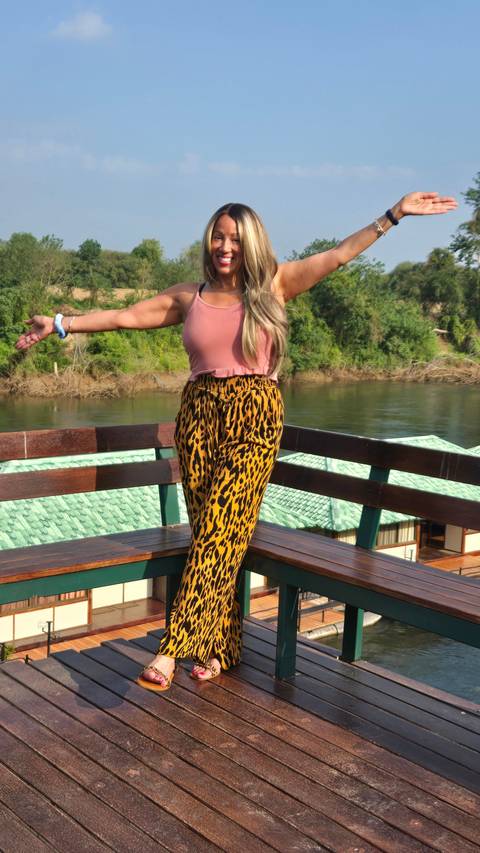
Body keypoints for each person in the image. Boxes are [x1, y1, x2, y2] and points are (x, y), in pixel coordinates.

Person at [16, 192, 457, 690]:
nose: (225, 246)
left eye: (235, 239)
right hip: (199, 416)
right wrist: (58, 324)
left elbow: (336, 256)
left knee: (219, 528)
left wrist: (393, 215)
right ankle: (222, 646)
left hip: (255, 414)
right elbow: (127, 316)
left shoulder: (273, 285)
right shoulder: (191, 296)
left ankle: (173, 646)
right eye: (218, 237)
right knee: (214, 531)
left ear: (251, 244)